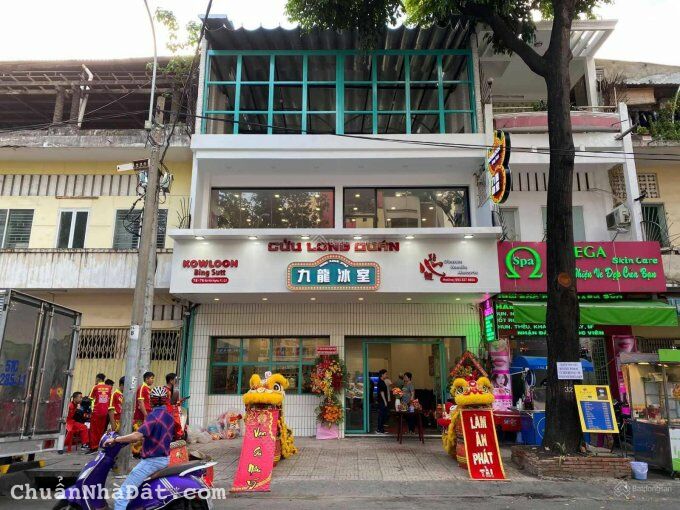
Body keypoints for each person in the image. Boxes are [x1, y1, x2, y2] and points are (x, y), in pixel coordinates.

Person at [106, 386, 175, 510]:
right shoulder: (170, 416)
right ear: (165, 400)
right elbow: (158, 435)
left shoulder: (153, 416)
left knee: (121, 496)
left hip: (151, 461)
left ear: (151, 400)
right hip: (164, 459)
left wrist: (116, 439)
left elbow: (137, 436)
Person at [132, 371, 154, 456]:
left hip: (147, 415)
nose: (152, 380)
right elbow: (140, 402)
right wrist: (145, 415)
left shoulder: (148, 389)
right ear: (146, 379)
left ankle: (142, 451)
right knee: (139, 434)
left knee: (145, 434)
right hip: (141, 416)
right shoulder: (142, 388)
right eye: (151, 378)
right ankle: (136, 453)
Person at [88, 373, 112, 451]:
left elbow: (90, 398)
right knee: (101, 429)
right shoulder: (109, 388)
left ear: (98, 379)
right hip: (105, 412)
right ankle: (99, 445)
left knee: (94, 430)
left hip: (96, 411)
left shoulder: (95, 387)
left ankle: (93, 447)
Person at [165, 373, 184, 439]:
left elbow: (175, 403)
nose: (177, 382)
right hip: (168, 412)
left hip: (173, 412)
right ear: (171, 380)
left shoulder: (175, 391)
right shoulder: (165, 390)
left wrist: (179, 402)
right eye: (176, 380)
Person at [376, 369, 390, 434]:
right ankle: (379, 429)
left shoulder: (382, 381)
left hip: (383, 401)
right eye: (385, 374)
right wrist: (385, 401)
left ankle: (381, 429)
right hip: (382, 401)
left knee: (383, 415)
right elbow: (382, 392)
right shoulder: (380, 382)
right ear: (382, 374)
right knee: (381, 415)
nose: (386, 375)